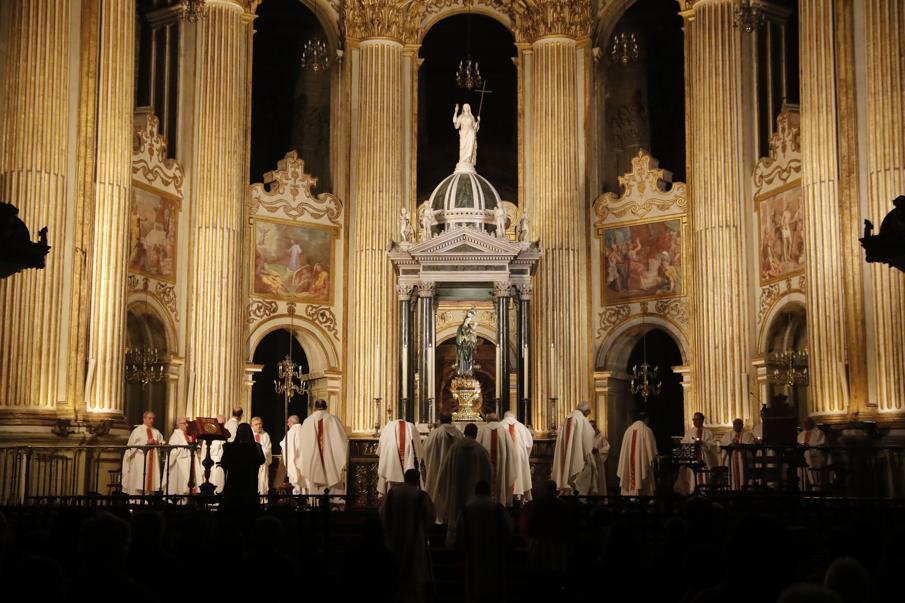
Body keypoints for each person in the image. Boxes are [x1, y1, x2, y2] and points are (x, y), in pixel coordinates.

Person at [380, 469, 435, 603]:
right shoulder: (421, 496)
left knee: (394, 575)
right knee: (414, 579)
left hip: (393, 539)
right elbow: (430, 518)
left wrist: (389, 528)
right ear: (417, 480)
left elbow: (382, 513)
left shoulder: (393, 493)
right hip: (415, 541)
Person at [435, 423, 492, 546]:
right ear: (476, 434)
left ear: (465, 433)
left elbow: (444, 473)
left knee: (456, 514)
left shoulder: (455, 449)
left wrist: (445, 490)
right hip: (476, 497)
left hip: (456, 493)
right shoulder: (481, 451)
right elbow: (489, 473)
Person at [456, 481, 512, 603]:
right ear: (489, 492)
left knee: (474, 580)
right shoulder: (497, 508)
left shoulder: (467, 509)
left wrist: (461, 545)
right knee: (493, 581)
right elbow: (508, 529)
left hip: (473, 551)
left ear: (475, 492)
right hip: (494, 550)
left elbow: (460, 530)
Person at [298, 399, 349, 495]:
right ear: (326, 407)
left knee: (316, 495)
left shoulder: (307, 421)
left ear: (314, 407)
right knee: (333, 488)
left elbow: (303, 444)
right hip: (331, 464)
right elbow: (342, 441)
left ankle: (315, 505)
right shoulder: (334, 420)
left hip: (313, 465)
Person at [551, 402, 596, 495]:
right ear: (586, 411)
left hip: (565, 453)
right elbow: (590, 435)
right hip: (578, 454)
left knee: (566, 466)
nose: (588, 415)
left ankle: (565, 488)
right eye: (589, 412)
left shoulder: (568, 418)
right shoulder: (581, 419)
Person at [423, 414, 462, 517]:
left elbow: (426, 450)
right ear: (451, 420)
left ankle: (437, 516)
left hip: (437, 470)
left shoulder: (435, 433)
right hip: (455, 472)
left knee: (436, 490)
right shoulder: (459, 434)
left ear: (440, 420)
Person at [220, 422, 265, 506]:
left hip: (240, 483)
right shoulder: (256, 446)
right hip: (246, 483)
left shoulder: (231, 447)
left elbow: (224, 463)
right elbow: (261, 460)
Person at [377, 417, 425, 495]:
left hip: (391, 471)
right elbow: (419, 451)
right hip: (411, 479)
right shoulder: (411, 427)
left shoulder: (388, 428)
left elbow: (381, 451)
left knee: (391, 495)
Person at [675, 411, 719, 495]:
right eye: (693, 419)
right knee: (691, 474)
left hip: (704, 457)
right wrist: (692, 443)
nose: (694, 421)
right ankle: (691, 490)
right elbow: (684, 442)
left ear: (702, 420)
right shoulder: (689, 432)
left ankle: (704, 490)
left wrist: (704, 443)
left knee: (704, 473)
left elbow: (713, 445)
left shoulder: (708, 432)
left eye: (696, 419)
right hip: (693, 456)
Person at [477, 413, 516, 506]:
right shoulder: (504, 431)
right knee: (501, 481)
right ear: (498, 419)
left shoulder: (482, 430)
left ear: (487, 420)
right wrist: (509, 464)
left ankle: (485, 502)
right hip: (501, 465)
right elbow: (511, 450)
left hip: (485, 466)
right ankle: (501, 503)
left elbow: (477, 449)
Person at [122, 411, 164, 496]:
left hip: (152, 462)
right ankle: (135, 503)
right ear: (144, 419)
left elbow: (163, 443)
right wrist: (146, 442)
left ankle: (148, 502)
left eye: (153, 418)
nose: (152, 420)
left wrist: (157, 443)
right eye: (149, 418)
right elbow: (130, 447)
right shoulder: (137, 431)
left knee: (150, 483)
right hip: (139, 460)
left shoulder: (156, 432)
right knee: (139, 480)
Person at [617, 412, 658, 496]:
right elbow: (652, 451)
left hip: (629, 464)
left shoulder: (628, 430)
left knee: (630, 478)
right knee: (644, 480)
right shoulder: (647, 430)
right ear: (645, 418)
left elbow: (624, 451)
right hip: (643, 465)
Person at [500, 410, 534, 501]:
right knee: (520, 475)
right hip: (520, 458)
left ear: (504, 417)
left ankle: (507, 500)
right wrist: (525, 457)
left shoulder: (500, 426)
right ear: (514, 417)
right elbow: (530, 444)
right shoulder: (522, 427)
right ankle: (518, 497)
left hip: (505, 458)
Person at [166, 417, 201, 496]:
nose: (187, 425)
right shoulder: (175, 435)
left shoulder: (189, 434)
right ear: (178, 424)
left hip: (190, 461)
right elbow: (173, 452)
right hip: (180, 464)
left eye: (187, 423)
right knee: (181, 485)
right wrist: (184, 450)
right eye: (184, 423)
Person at [575, 419, 610, 496]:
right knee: (587, 481)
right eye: (590, 427)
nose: (592, 428)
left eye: (593, 426)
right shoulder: (584, 436)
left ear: (596, 427)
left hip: (597, 461)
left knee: (598, 480)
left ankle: (600, 499)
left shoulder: (601, 437)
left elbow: (607, 447)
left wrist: (598, 450)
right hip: (587, 462)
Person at [720, 418, 755, 491]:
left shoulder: (747, 435)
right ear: (733, 425)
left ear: (742, 425)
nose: (737, 426)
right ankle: (732, 489)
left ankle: (744, 489)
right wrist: (730, 445)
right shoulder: (728, 435)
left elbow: (751, 445)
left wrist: (740, 445)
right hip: (731, 460)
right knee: (732, 476)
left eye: (739, 424)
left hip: (743, 460)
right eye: (735, 424)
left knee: (743, 475)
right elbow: (722, 444)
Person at [798, 416, 827, 490]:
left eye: (807, 423)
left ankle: (816, 489)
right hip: (803, 457)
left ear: (811, 423)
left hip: (815, 455)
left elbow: (822, 444)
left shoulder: (819, 433)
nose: (805, 424)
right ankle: (802, 488)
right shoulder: (801, 434)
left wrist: (809, 446)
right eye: (804, 423)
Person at [281, 414, 304, 494]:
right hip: (303, 462)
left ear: (291, 422)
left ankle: (296, 499)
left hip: (294, 461)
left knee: (295, 482)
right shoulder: (304, 430)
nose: (287, 424)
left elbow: (286, 447)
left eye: (288, 422)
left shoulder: (291, 432)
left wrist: (281, 444)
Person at [250, 416, 272, 496]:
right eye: (256, 424)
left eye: (260, 424)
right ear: (252, 425)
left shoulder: (265, 435)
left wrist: (261, 452)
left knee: (263, 481)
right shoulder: (250, 435)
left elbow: (268, 448)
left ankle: (263, 499)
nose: (258, 426)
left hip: (262, 462)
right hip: (252, 463)